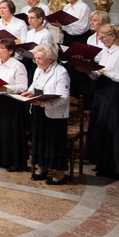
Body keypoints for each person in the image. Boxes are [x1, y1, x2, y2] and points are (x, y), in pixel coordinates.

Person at [88, 25, 119, 179]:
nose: (101, 41)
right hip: (102, 91)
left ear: (113, 36)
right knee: (102, 127)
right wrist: (88, 71)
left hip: (115, 93)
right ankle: (102, 163)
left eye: (103, 38)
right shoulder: (104, 52)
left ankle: (116, 167)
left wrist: (104, 71)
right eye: (99, 38)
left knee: (115, 128)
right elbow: (97, 75)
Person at [26, 43, 71, 185]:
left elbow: (63, 98)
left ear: (50, 58)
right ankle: (41, 168)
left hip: (54, 115)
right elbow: (35, 85)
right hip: (39, 111)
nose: (37, 61)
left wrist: (44, 103)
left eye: (39, 58)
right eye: (35, 59)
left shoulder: (61, 72)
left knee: (54, 143)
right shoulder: (39, 70)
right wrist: (30, 92)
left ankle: (60, 174)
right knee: (40, 141)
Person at [0, 39, 29, 171]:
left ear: (11, 51)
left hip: (11, 103)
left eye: (2, 48)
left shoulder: (17, 66)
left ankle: (13, 162)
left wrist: (6, 88)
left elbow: (22, 86)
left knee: (11, 132)